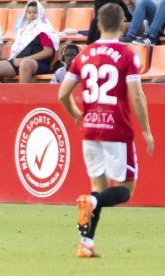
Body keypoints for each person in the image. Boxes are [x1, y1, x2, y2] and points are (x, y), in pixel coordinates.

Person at [58, 3, 154, 258]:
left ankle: (86, 243)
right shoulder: (127, 54)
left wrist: (78, 115)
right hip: (117, 130)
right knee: (125, 190)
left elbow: (62, 94)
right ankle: (92, 209)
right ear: (123, 25)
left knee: (98, 187)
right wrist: (145, 130)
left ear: (98, 24)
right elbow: (136, 95)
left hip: (90, 130)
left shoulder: (83, 55)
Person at [0, 0, 59, 83]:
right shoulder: (23, 30)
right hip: (19, 61)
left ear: (40, 13)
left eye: (35, 12)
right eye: (29, 12)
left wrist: (23, 59)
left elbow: (48, 52)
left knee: (25, 63)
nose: (32, 15)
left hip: (38, 63)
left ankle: (22, 95)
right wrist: (19, 60)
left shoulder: (43, 30)